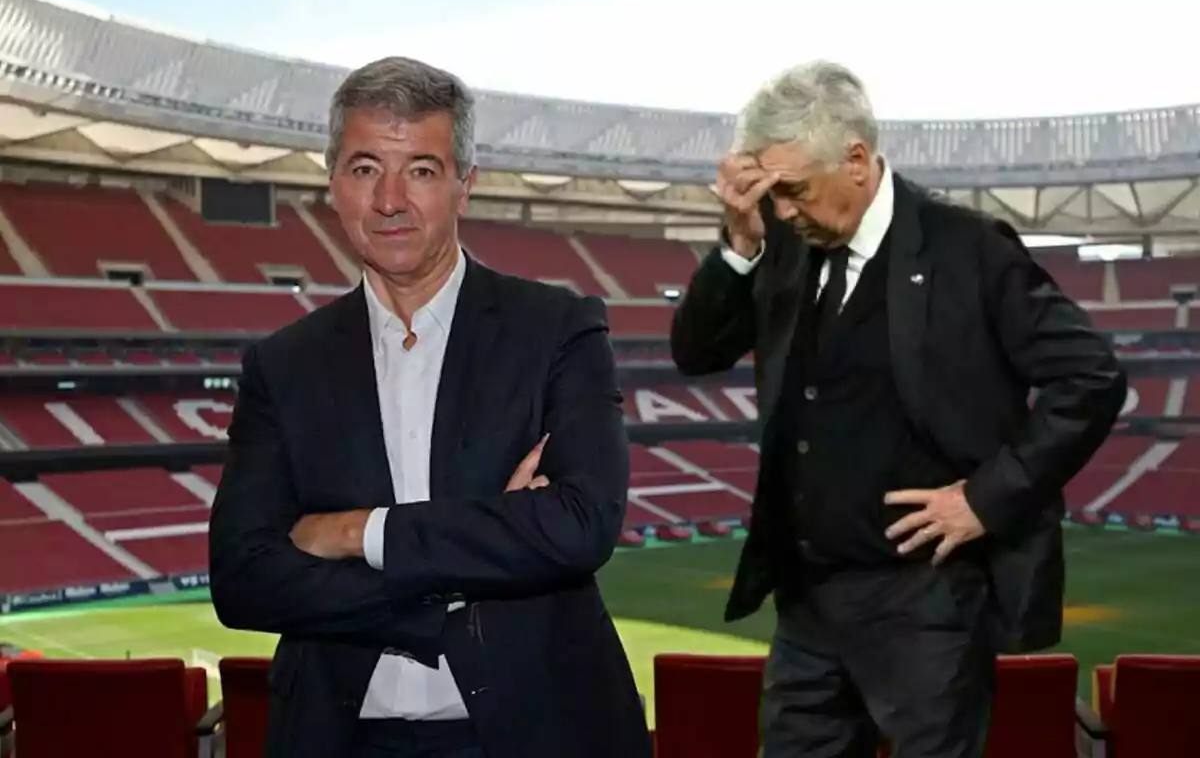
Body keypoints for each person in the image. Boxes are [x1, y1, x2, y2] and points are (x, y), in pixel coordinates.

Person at [671, 61, 1126, 758]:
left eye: (793, 189)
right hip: (808, 603)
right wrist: (739, 243)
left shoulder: (968, 248)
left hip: (929, 604)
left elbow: (1091, 379)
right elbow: (696, 352)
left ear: (856, 159)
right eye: (772, 194)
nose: (783, 209)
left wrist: (985, 497)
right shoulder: (784, 243)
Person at [208, 56, 652, 758]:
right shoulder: (282, 364)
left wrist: (360, 534)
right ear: (332, 185)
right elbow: (242, 580)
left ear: (463, 186)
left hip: (535, 733)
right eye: (363, 169)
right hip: (342, 737)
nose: (389, 200)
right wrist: (471, 560)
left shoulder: (559, 328)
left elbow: (579, 525)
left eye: (420, 169)